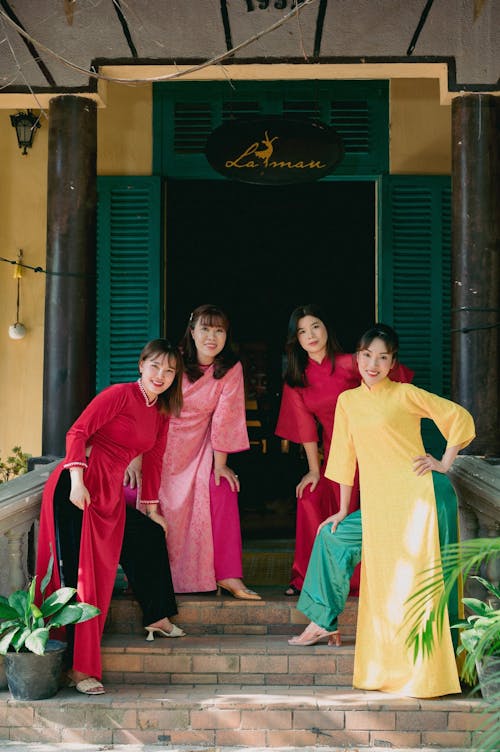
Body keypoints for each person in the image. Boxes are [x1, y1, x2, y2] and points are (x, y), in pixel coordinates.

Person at [289, 323, 475, 699]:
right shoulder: (349, 402)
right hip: (380, 504)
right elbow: (342, 456)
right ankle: (322, 620)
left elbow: (459, 418)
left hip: (422, 498)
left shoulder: (405, 394)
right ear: (357, 357)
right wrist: (342, 509)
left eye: (382, 357)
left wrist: (444, 463)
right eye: (367, 355)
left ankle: (433, 671)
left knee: (421, 582)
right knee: (332, 535)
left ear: (392, 363)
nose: (373, 364)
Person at [35, 339, 186, 696]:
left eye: (169, 370)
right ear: (141, 364)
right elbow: (78, 432)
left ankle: (156, 616)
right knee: (76, 578)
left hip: (109, 492)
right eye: (155, 366)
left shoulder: (162, 411)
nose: (161, 375)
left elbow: (154, 461)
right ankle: (75, 668)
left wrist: (151, 509)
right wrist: (75, 480)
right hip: (78, 486)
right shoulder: (119, 394)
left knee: (109, 571)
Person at [275, 304, 413, 596]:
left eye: (315, 326)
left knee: (362, 509)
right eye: (301, 331)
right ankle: (306, 578)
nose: (310, 335)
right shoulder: (297, 380)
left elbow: (393, 384)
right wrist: (314, 471)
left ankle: (365, 579)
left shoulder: (352, 362)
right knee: (309, 498)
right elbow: (306, 431)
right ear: (295, 340)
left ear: (326, 328)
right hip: (336, 457)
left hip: (373, 452)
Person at [128, 304, 260, 599]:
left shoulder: (230, 370)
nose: (211, 337)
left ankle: (228, 576)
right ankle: (141, 577)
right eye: (205, 329)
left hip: (198, 448)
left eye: (219, 330)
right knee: (130, 493)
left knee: (222, 489)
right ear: (192, 331)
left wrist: (220, 464)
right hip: (156, 445)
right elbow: (147, 404)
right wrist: (136, 457)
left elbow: (225, 418)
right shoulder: (172, 360)